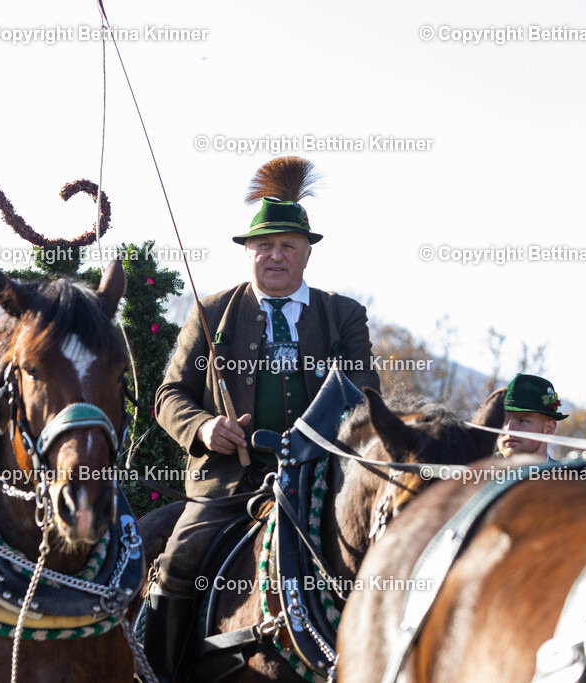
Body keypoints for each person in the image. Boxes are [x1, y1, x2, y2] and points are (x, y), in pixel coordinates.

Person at [146, 157, 380, 679]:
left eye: (287, 247)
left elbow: (366, 397)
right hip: (227, 488)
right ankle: (158, 672)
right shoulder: (209, 313)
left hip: (322, 487)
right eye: (264, 246)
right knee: (179, 561)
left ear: (307, 253)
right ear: (248, 251)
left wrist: (318, 439)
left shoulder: (343, 316)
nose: (275, 256)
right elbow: (169, 395)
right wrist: (204, 428)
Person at [495, 373, 569, 459]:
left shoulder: (564, 472)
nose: (509, 429)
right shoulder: (477, 470)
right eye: (503, 420)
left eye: (521, 420)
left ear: (549, 428)